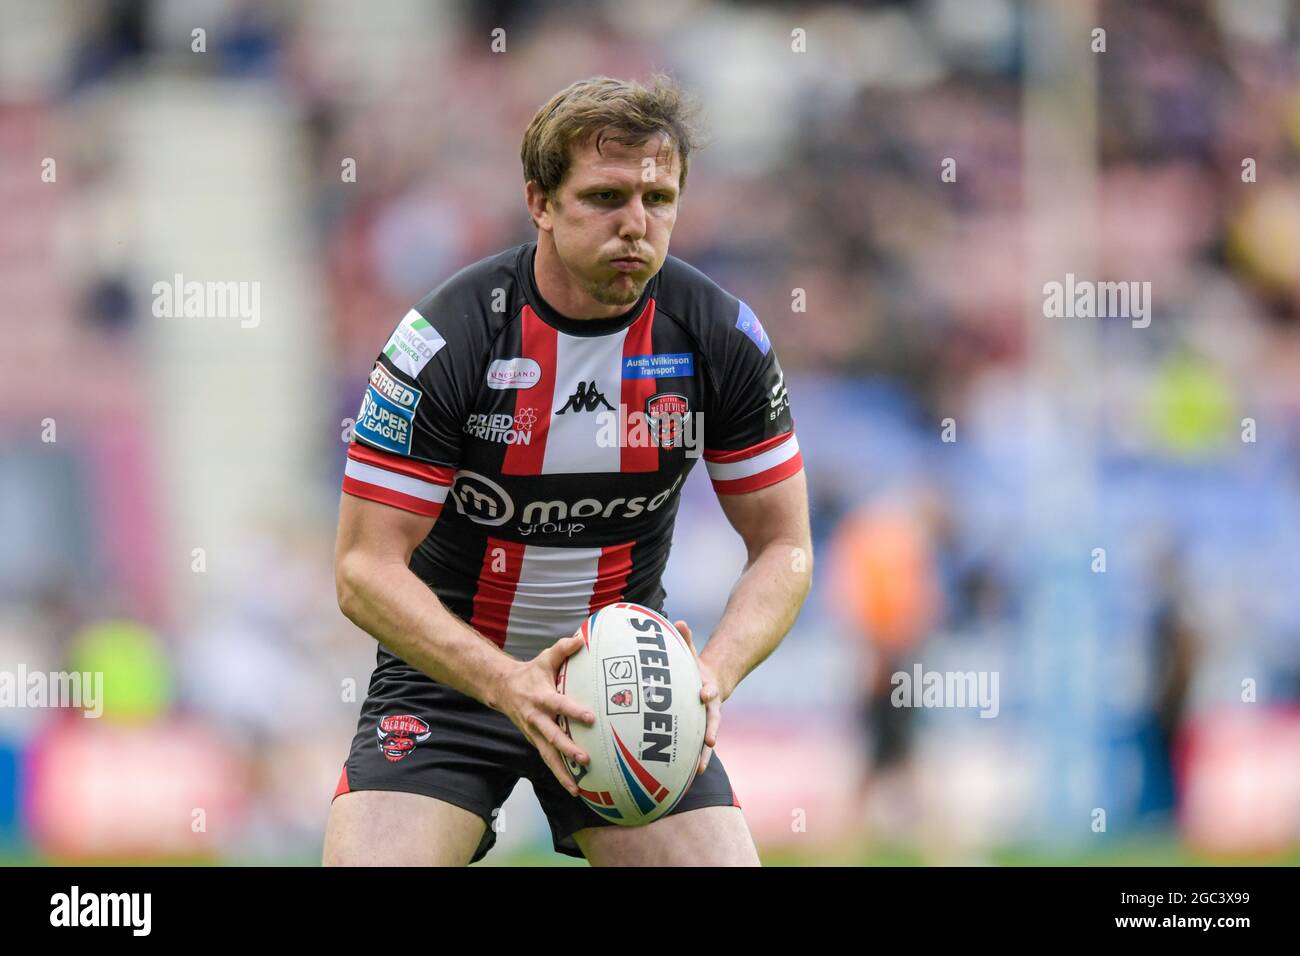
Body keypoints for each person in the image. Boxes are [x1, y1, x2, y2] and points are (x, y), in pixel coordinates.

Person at [323, 75, 811, 866]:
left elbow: (784, 547)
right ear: (540, 202)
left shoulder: (719, 335)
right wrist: (504, 682)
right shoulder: (446, 339)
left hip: (624, 689)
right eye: (605, 197)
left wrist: (707, 678)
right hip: (449, 682)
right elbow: (361, 568)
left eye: (659, 199)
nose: (635, 226)